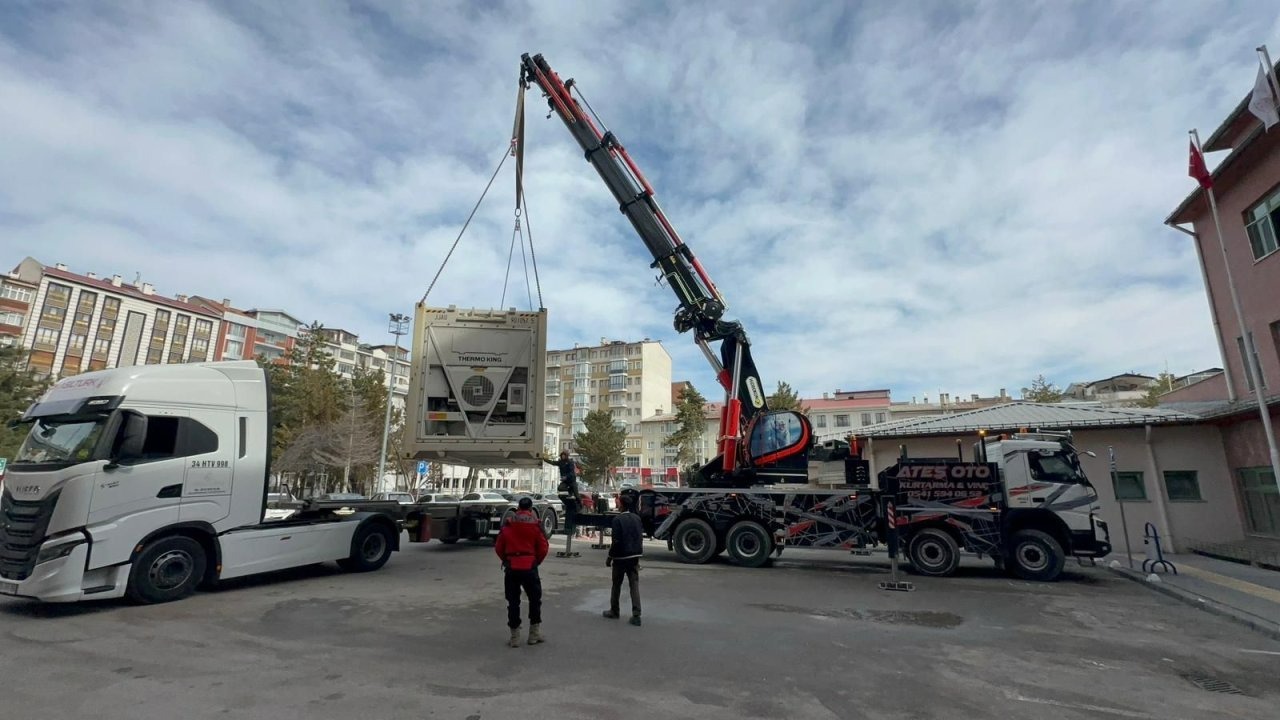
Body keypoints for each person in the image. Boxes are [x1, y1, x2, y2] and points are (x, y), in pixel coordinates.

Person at [494, 496, 550, 647]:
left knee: (513, 601)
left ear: (518, 508)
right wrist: (535, 561)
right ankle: (534, 634)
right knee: (534, 599)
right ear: (531, 509)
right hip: (529, 566)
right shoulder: (535, 525)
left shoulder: (509, 524)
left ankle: (515, 637)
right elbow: (543, 547)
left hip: (512, 566)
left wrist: (506, 560)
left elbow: (499, 547)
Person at [603, 490, 643, 626]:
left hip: (620, 558)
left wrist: (609, 558)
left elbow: (616, 541)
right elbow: (639, 538)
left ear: (622, 505)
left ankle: (614, 611)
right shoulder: (637, 518)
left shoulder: (618, 520)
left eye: (618, 503)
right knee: (634, 585)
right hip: (634, 557)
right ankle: (636, 614)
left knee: (616, 585)